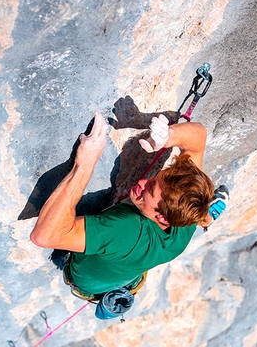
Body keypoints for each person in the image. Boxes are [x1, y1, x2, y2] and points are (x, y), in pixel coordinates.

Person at [30, 112, 228, 305]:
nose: (142, 181)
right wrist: (169, 136)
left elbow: (45, 236)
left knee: (67, 254)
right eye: (154, 179)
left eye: (149, 190)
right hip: (127, 275)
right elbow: (199, 138)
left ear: (163, 218)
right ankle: (206, 217)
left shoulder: (126, 230)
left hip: (85, 281)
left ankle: (207, 217)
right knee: (191, 219)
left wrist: (85, 164)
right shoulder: (182, 216)